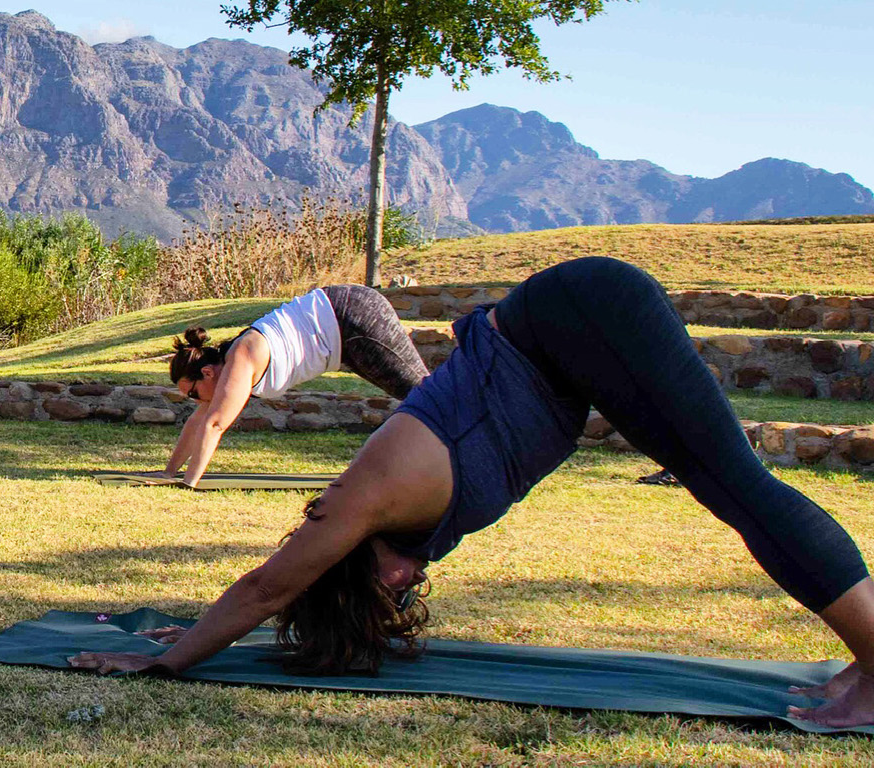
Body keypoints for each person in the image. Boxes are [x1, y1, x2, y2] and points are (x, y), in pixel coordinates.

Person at [68, 256, 874, 729]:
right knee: (724, 489)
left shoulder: (363, 499)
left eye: (384, 592)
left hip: (579, 315)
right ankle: (862, 661)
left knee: (737, 486)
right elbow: (278, 598)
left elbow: (272, 583)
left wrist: (168, 663)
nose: (411, 586)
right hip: (571, 346)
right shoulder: (411, 534)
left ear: (355, 565)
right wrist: (207, 622)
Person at [163, 286, 430, 488]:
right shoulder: (228, 366)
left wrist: (188, 484)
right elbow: (198, 422)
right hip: (342, 334)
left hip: (351, 315)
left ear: (207, 372)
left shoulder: (241, 357)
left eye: (194, 394)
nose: (197, 402)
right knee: (425, 397)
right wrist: (168, 474)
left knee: (427, 397)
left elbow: (214, 425)